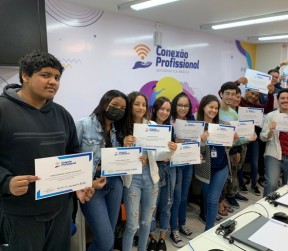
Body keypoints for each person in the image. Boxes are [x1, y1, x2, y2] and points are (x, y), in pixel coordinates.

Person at [0, 51, 94, 251]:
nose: (53, 82)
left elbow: (73, 152)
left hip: (60, 211)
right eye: (45, 75)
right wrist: (6, 182)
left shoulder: (62, 114)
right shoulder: (3, 110)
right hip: (20, 213)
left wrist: (79, 183)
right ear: (25, 75)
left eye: (57, 77)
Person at [121, 92, 175, 251]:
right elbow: (115, 156)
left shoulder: (151, 124)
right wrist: (126, 147)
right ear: (130, 105)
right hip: (132, 180)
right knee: (132, 225)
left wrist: (170, 151)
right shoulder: (122, 127)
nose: (140, 107)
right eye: (136, 104)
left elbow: (157, 154)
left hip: (151, 178)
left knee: (146, 222)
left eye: (143, 104)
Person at [75, 90, 127, 251]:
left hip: (114, 182)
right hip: (92, 185)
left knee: (110, 236)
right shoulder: (84, 124)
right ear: (105, 104)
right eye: (115, 105)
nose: (118, 110)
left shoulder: (117, 131)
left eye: (123, 108)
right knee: (105, 240)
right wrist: (83, 181)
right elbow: (71, 156)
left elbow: (118, 159)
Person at [194, 94, 234, 230]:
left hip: (221, 167)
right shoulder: (197, 126)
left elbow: (227, 147)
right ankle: (207, 218)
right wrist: (203, 142)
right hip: (204, 168)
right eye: (211, 107)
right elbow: (194, 152)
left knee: (212, 200)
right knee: (207, 197)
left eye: (216, 108)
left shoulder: (223, 125)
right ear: (203, 107)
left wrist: (233, 140)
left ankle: (208, 230)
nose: (214, 110)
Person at [148, 97, 177, 251]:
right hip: (153, 169)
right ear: (155, 110)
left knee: (167, 204)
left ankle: (162, 238)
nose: (165, 112)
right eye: (162, 109)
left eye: (167, 110)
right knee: (152, 206)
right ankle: (152, 237)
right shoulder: (148, 127)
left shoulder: (170, 129)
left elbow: (173, 152)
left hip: (169, 169)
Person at [239, 83, 275, 195]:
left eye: (256, 95)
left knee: (254, 163)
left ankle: (254, 185)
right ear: (246, 91)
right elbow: (225, 93)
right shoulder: (240, 102)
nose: (254, 96)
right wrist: (238, 82)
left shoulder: (257, 107)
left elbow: (268, 107)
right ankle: (241, 184)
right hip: (241, 137)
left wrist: (270, 94)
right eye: (252, 93)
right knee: (241, 162)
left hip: (254, 138)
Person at [169, 92, 195, 248]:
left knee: (185, 195)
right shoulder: (169, 120)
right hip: (175, 163)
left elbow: (196, 140)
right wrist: (174, 141)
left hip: (188, 162)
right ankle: (174, 228)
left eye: (186, 105)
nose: (183, 108)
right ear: (174, 105)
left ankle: (182, 223)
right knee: (176, 197)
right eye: (180, 105)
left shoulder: (191, 120)